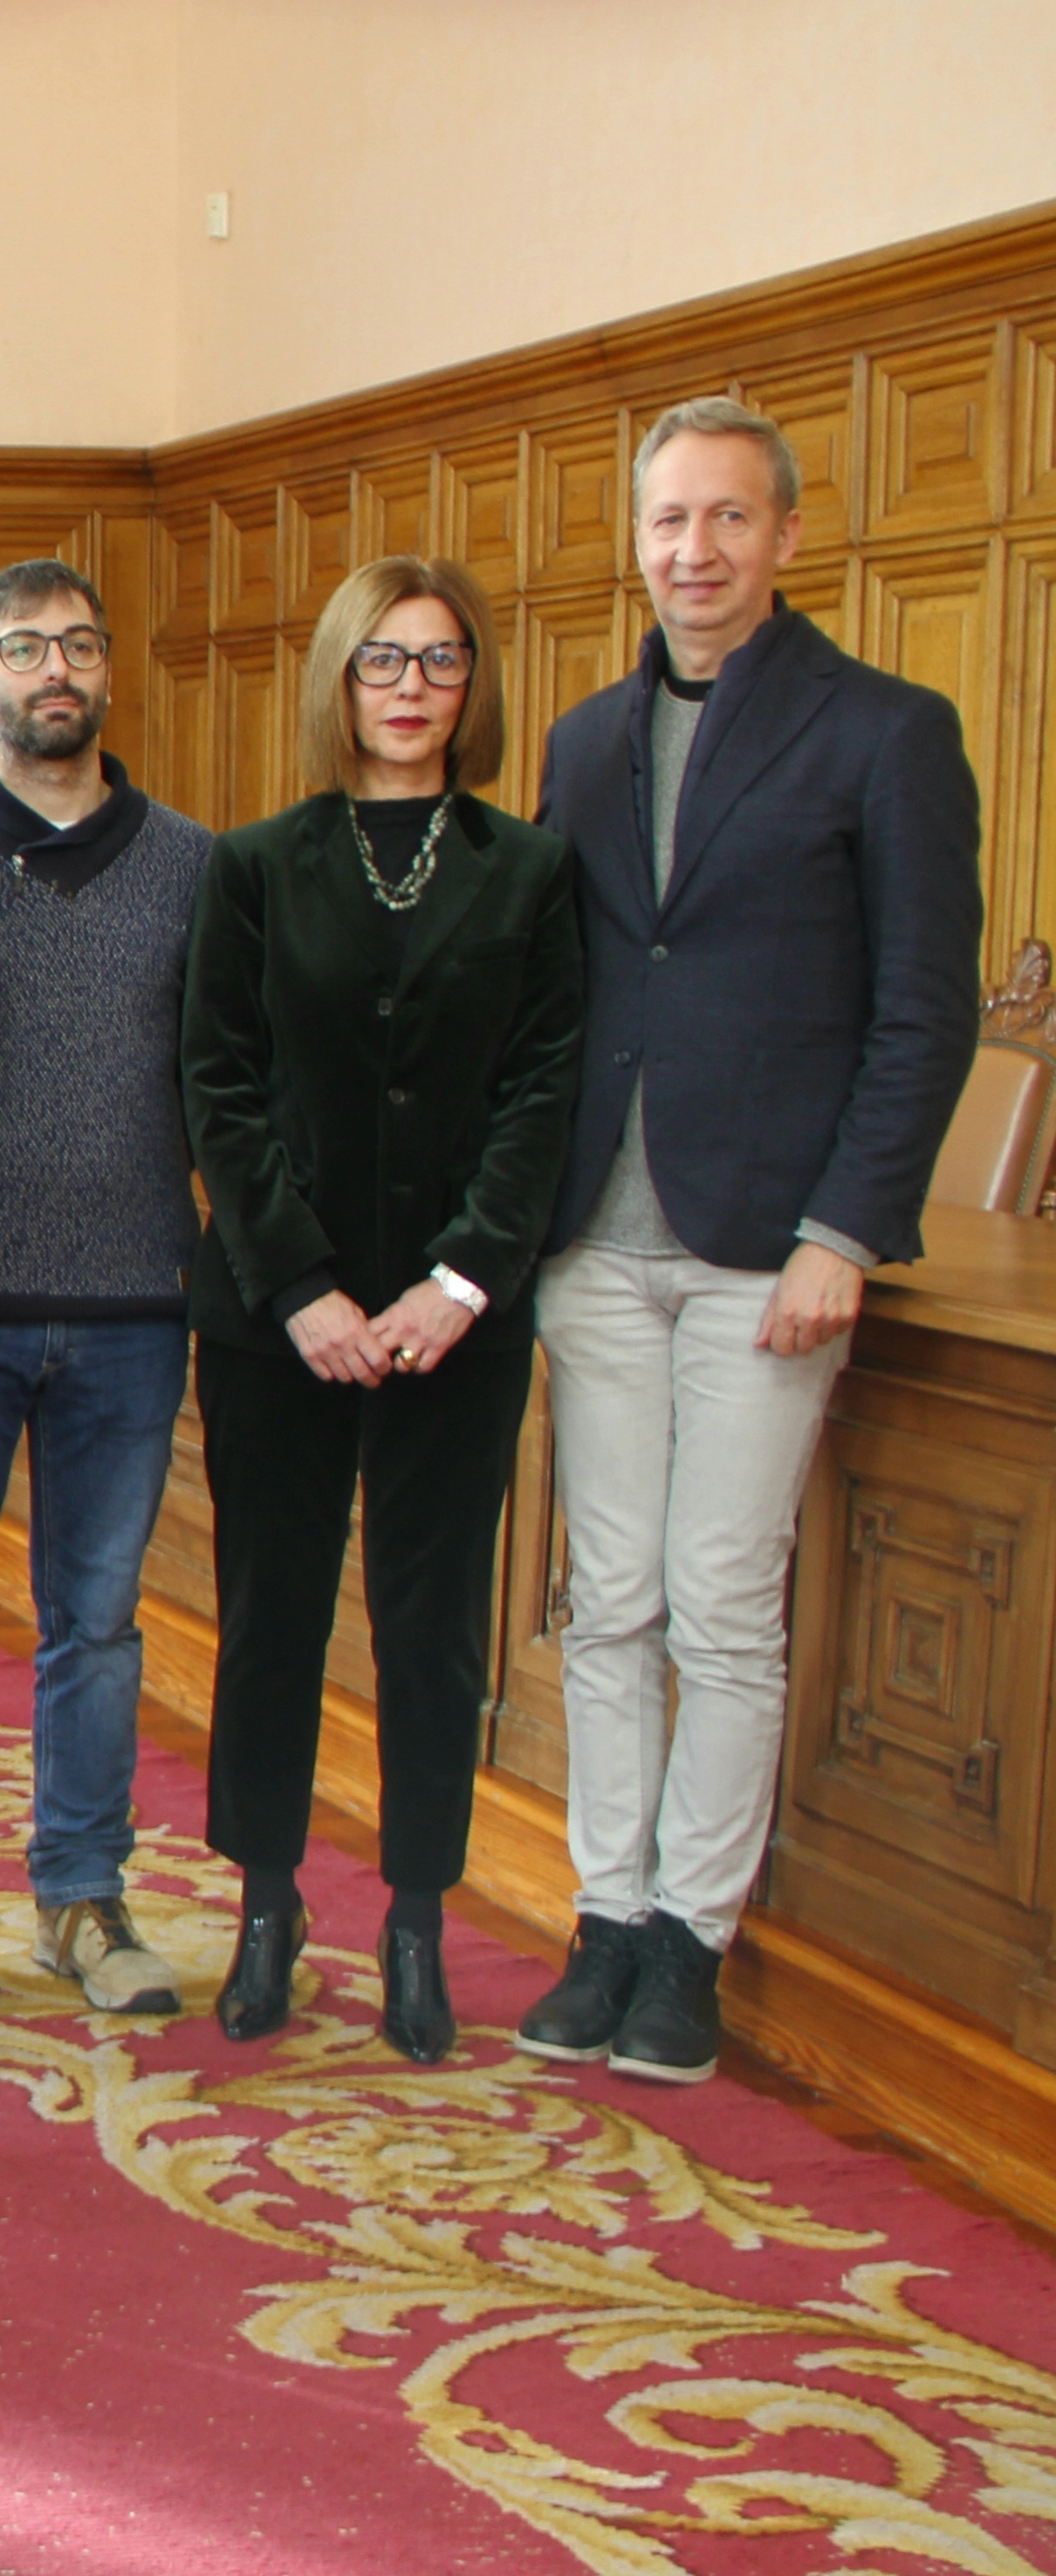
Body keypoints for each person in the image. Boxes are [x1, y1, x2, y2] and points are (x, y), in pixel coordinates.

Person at [521, 396, 980, 2084]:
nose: (693, 552)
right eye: (666, 523)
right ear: (634, 543)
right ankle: (605, 1911)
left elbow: (923, 1015)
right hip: (598, 1240)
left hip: (764, 1252)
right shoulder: (580, 742)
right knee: (607, 1599)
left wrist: (848, 1227)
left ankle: (690, 1946)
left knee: (720, 1602)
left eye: (726, 520)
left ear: (788, 535)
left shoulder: (887, 731)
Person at [183, 555, 583, 2063]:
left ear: (470, 689)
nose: (412, 688)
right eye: (383, 660)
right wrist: (301, 1287)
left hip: (454, 1322)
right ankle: (266, 1905)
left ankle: (416, 1920)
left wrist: (459, 1279)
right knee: (270, 1614)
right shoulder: (257, 864)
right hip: (280, 1315)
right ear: (339, 681)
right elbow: (219, 1084)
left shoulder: (530, 870)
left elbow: (543, 1085)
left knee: (431, 1630)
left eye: (440, 661)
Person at [0, 559, 209, 2021]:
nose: (50, 669)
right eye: (19, 647)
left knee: (99, 1622)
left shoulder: (196, 864)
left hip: (134, 1302)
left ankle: (83, 1893)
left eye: (78, 641)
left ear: (109, 669)